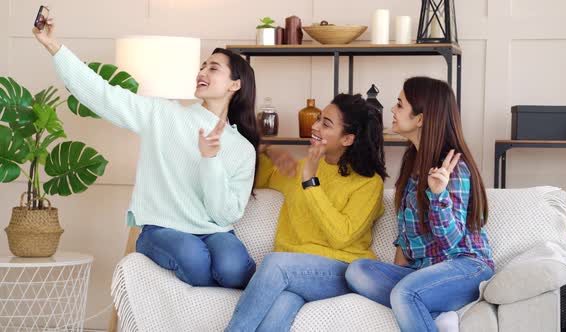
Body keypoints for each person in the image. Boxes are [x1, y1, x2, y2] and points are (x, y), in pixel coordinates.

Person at [33, 18, 259, 289]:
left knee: (233, 268)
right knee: (194, 258)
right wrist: (53, 46)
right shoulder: (163, 114)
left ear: (235, 85)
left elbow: (225, 215)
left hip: (214, 231)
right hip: (162, 228)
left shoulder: (242, 149)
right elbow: (102, 94)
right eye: (202, 66)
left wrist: (210, 161)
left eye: (213, 68)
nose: (202, 71)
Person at [225, 94, 388, 332]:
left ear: (348, 138)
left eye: (326, 123)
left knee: (275, 264)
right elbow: (253, 176)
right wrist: (270, 151)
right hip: (294, 273)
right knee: (279, 309)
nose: (314, 126)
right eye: (319, 119)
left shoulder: (368, 183)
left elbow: (341, 236)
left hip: (341, 270)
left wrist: (311, 182)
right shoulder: (304, 166)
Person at [345, 77, 494, 332]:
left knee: (404, 293)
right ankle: (435, 313)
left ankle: (422, 304)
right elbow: (405, 237)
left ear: (421, 118)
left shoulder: (453, 167)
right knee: (357, 271)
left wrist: (438, 196)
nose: (392, 110)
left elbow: (451, 241)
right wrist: (395, 272)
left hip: (465, 267)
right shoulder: (412, 161)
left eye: (400, 105)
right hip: (422, 272)